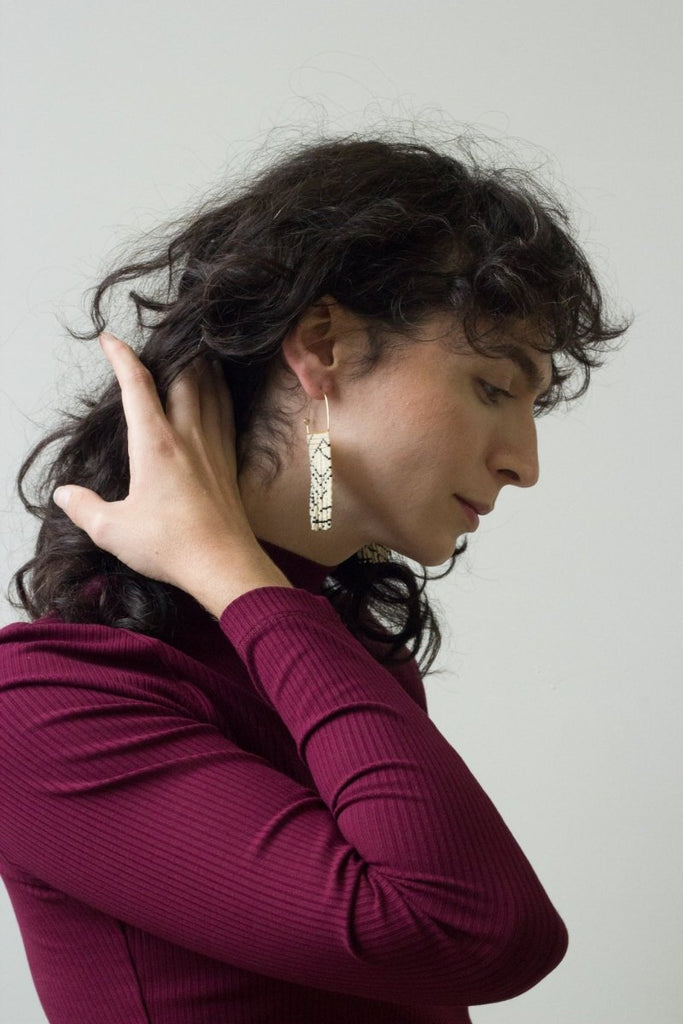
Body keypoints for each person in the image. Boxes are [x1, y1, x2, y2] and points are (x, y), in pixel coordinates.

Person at [0, 135, 627, 1024]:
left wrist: (248, 585)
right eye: (493, 387)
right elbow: (476, 933)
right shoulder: (45, 702)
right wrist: (232, 573)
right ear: (323, 346)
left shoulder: (336, 646)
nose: (524, 464)